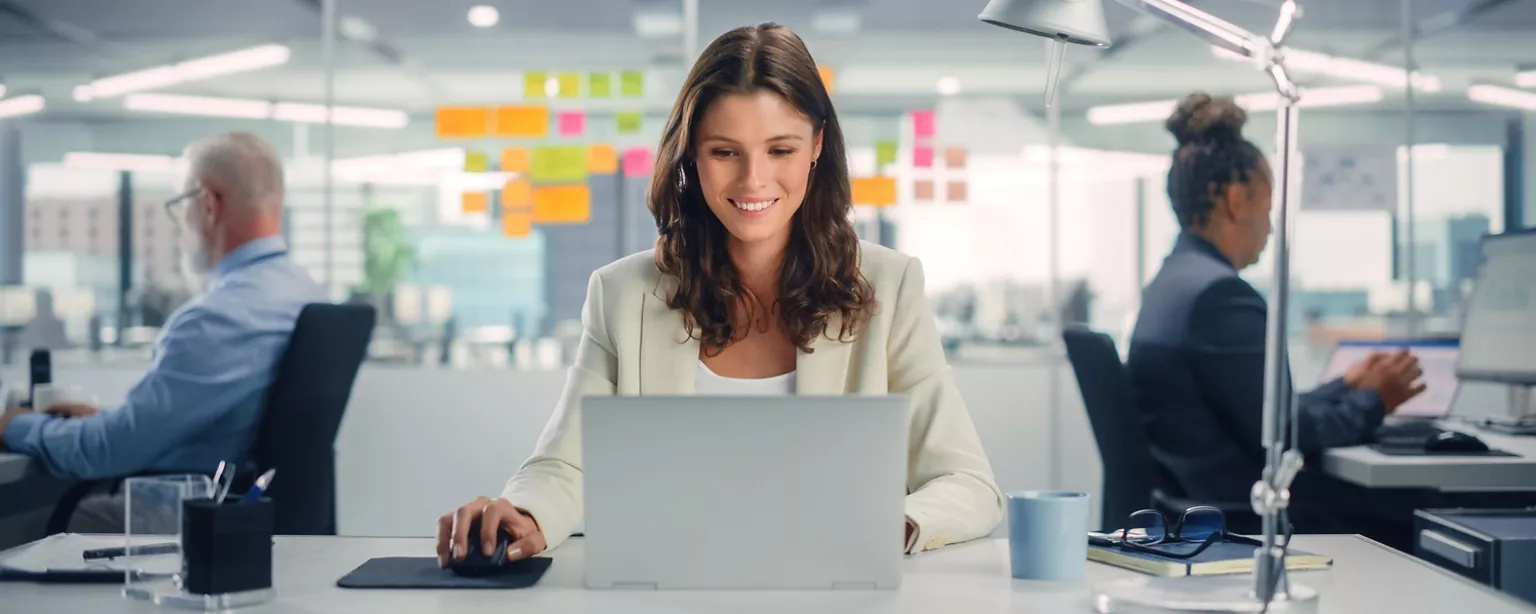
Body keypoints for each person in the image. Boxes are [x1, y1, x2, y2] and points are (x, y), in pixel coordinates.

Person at [436, 22, 1003, 567]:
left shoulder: (888, 287)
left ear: (816, 146)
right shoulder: (622, 294)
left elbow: (967, 484)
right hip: (669, 585)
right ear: (690, 155)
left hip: (838, 586)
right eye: (725, 152)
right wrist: (525, 513)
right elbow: (566, 465)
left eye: (780, 150)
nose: (753, 180)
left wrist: (889, 525)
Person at [1126, 93, 1428, 546]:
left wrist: (1345, 387)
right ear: (1235, 200)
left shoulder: (1174, 284)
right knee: (1427, 510)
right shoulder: (1219, 297)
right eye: (1268, 208)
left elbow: (1261, 412)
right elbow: (1285, 438)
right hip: (1248, 519)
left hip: (1194, 506)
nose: (1270, 227)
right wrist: (1375, 400)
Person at [0, 132, 327, 532]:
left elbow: (107, 451)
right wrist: (113, 419)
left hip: (197, 514)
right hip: (248, 510)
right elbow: (217, 421)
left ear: (207, 204)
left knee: (35, 525)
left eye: (179, 206)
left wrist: (13, 425)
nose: (178, 224)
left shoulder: (216, 318)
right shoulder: (304, 291)